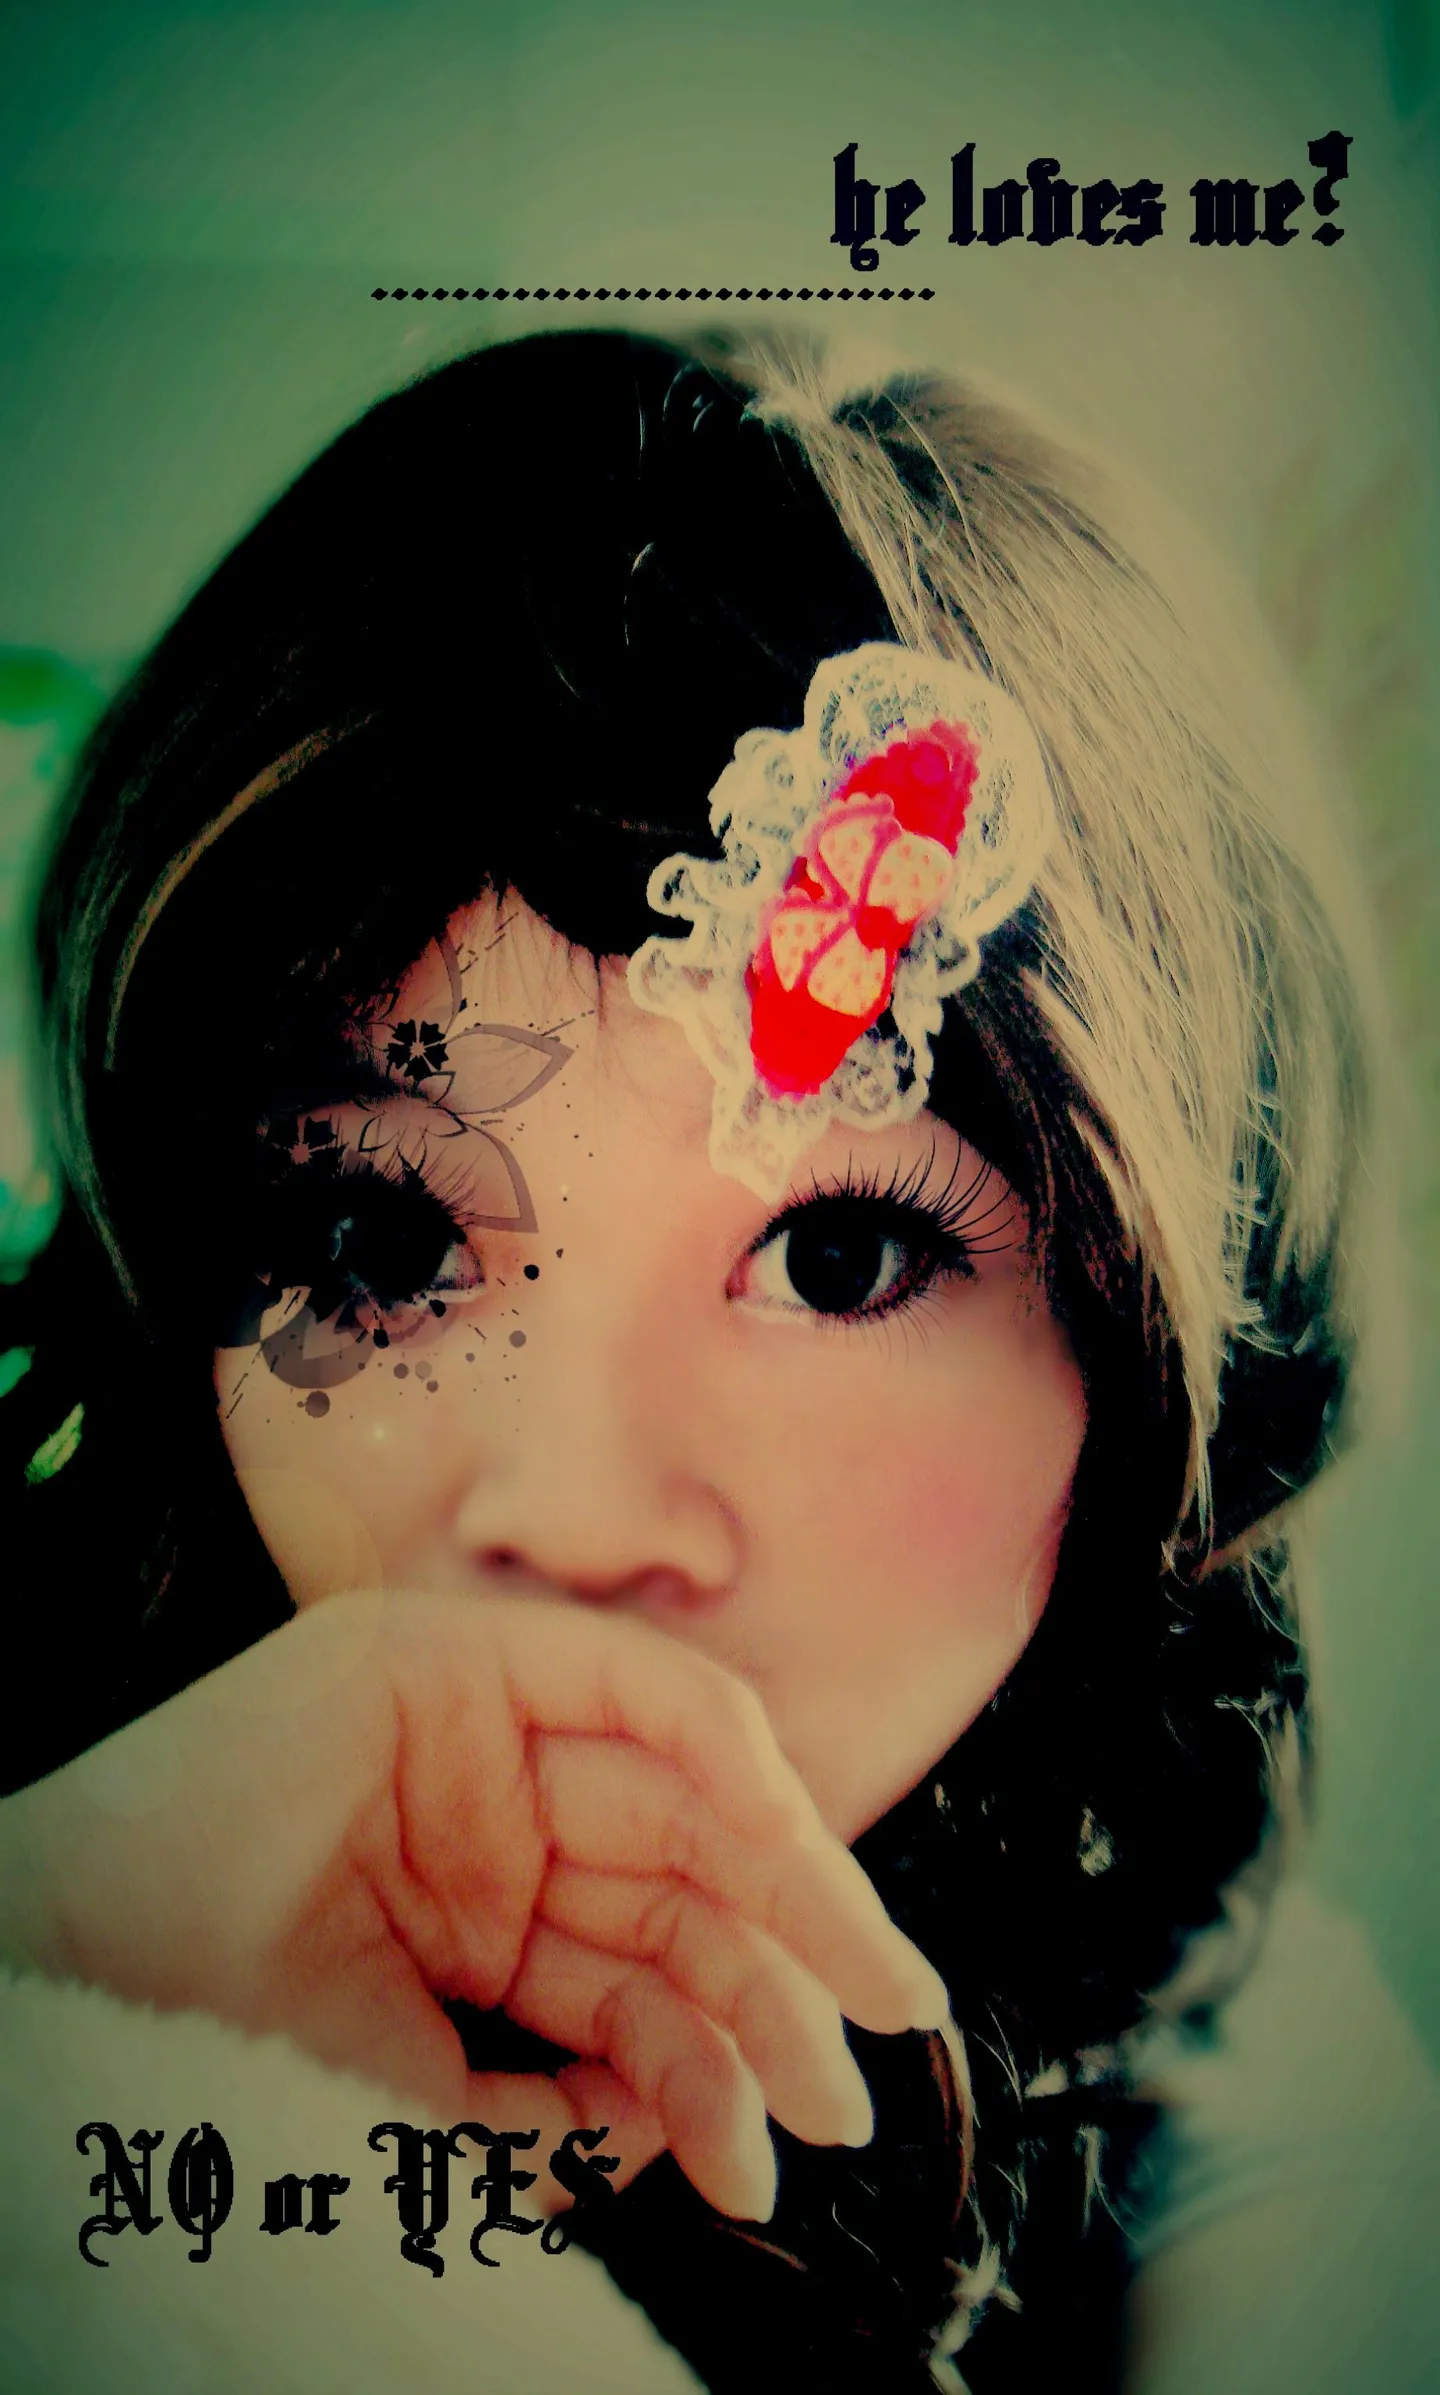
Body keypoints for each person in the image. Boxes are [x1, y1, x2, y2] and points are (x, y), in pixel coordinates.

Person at [0, 328, 1429, 2394]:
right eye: (379, 1241)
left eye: (843, 1257)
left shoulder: (1272, 2180)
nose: (574, 1515)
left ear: (1146, 1368)